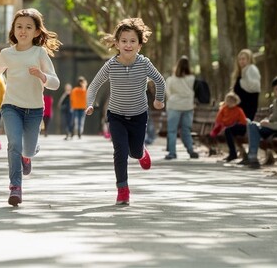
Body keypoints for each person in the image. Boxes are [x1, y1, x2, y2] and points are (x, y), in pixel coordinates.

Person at [0, 8, 60, 206]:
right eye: (19, 27)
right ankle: (15, 187)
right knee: (14, 143)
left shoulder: (39, 53)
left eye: (28, 27)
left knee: (28, 149)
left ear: (36, 32)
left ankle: (28, 156)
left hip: (34, 109)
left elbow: (55, 82)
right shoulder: (6, 53)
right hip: (11, 106)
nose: (23, 31)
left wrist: (42, 76)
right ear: (13, 30)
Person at [85, 17, 165, 205]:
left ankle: (141, 152)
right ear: (117, 43)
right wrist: (90, 103)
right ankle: (123, 189)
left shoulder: (144, 63)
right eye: (124, 41)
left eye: (132, 41)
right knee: (120, 151)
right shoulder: (111, 65)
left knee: (134, 153)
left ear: (139, 45)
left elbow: (160, 80)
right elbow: (94, 85)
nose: (128, 45)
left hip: (139, 115)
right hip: (116, 116)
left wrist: (159, 100)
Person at [165, 56, 198, 160]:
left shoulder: (171, 79)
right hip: (188, 106)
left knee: (172, 131)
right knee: (186, 130)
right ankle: (190, 150)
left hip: (174, 106)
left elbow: (168, 93)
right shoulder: (192, 79)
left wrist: (172, 99)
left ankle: (172, 153)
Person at [208, 91, 248, 162]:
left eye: (232, 101)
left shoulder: (238, 110)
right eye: (228, 101)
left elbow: (243, 122)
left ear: (235, 102)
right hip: (226, 128)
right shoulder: (224, 109)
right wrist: (221, 127)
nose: (230, 103)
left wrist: (233, 125)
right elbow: (219, 120)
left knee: (228, 130)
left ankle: (233, 154)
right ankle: (232, 153)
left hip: (238, 128)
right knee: (225, 131)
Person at [232, 49, 261, 120]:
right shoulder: (239, 74)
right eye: (240, 59)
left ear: (249, 60)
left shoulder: (252, 70)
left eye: (243, 59)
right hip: (238, 108)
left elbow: (254, 88)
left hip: (248, 108)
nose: (241, 61)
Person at [144, 80, 157, 145]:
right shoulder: (145, 90)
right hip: (144, 108)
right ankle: (149, 138)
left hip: (147, 108)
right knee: (148, 124)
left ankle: (151, 138)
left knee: (149, 124)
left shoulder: (150, 91)